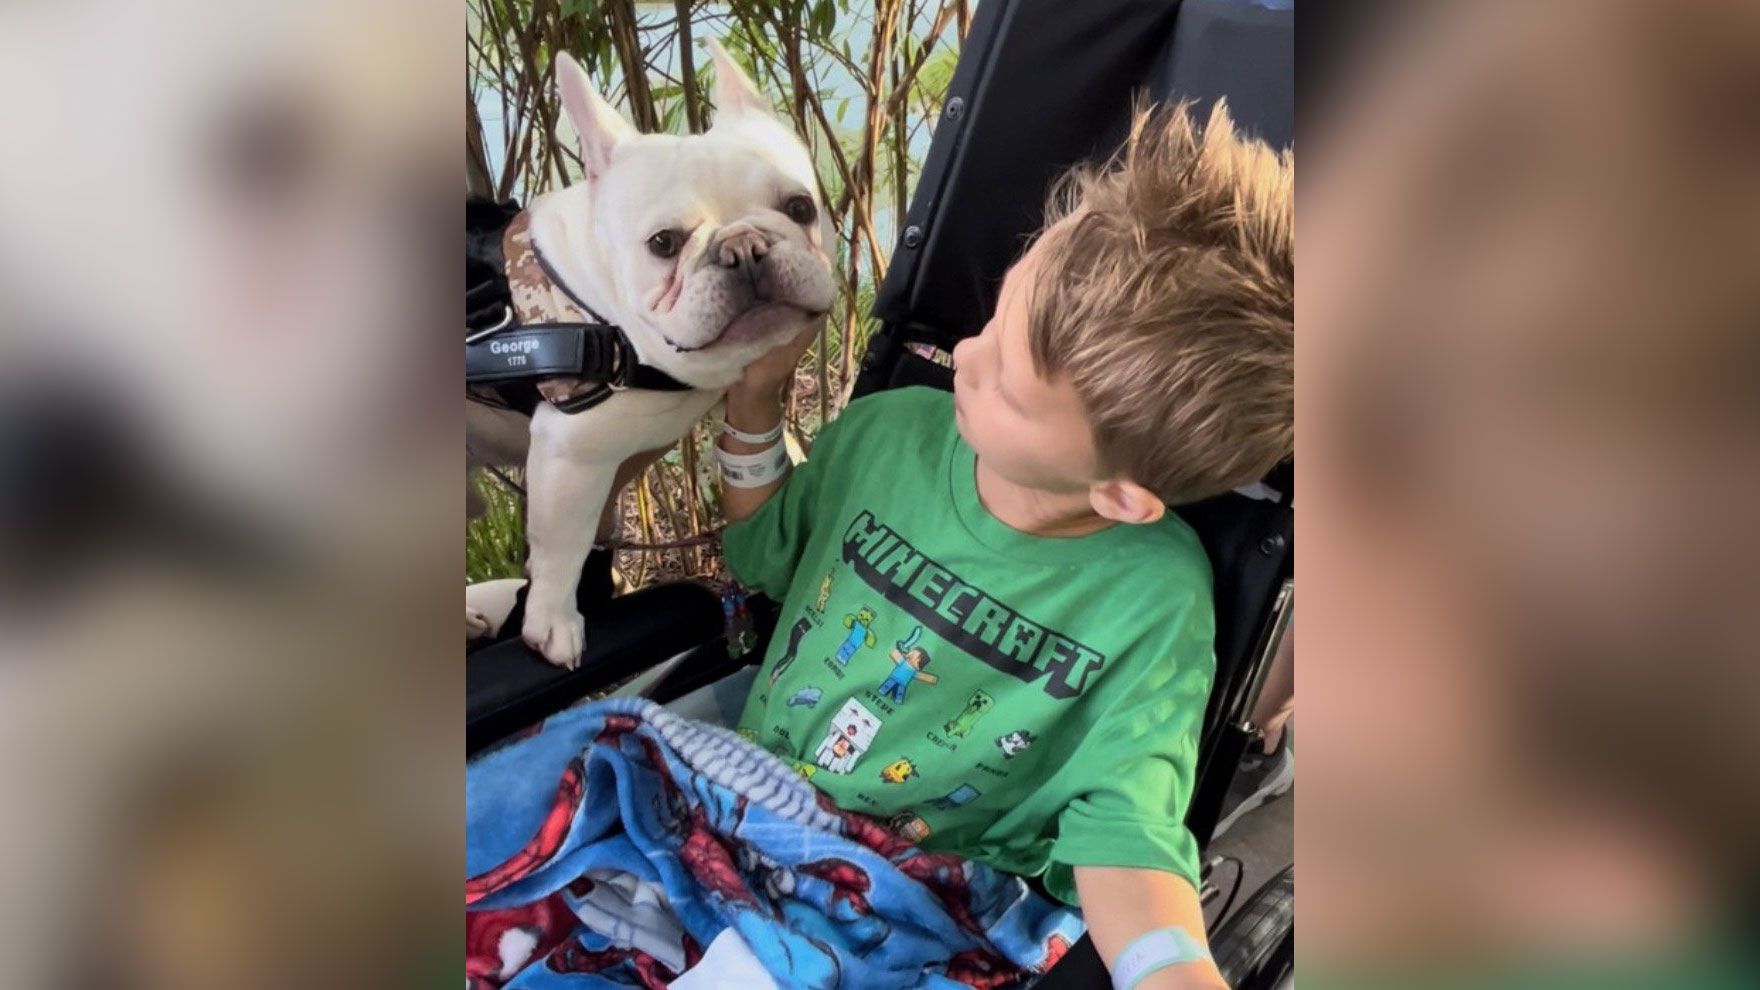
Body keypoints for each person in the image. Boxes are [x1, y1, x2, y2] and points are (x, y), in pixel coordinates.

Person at [715, 101, 1291, 990]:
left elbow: (1125, 828)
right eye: (993, 319)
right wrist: (752, 406)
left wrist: (1171, 969)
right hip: (741, 802)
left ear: (1119, 494)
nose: (968, 357)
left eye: (1012, 388)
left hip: (921, 891)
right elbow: (763, 553)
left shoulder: (1155, 602)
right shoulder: (889, 434)